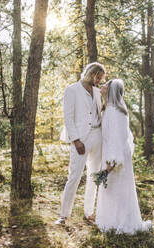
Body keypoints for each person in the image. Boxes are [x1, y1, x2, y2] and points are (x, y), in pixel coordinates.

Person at [95, 79, 153, 234]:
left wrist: (111, 164)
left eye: (107, 84)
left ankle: (121, 223)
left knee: (118, 189)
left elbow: (118, 138)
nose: (103, 85)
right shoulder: (111, 108)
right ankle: (112, 221)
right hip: (112, 153)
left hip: (116, 156)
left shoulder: (116, 112)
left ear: (111, 90)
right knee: (112, 189)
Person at [55, 62, 106, 225]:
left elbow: (101, 113)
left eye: (101, 78)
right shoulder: (72, 90)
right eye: (98, 77)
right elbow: (68, 117)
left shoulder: (98, 93)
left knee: (94, 177)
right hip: (80, 139)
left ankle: (89, 213)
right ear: (91, 74)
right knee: (74, 176)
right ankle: (64, 215)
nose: (99, 81)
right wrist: (75, 140)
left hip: (98, 136)